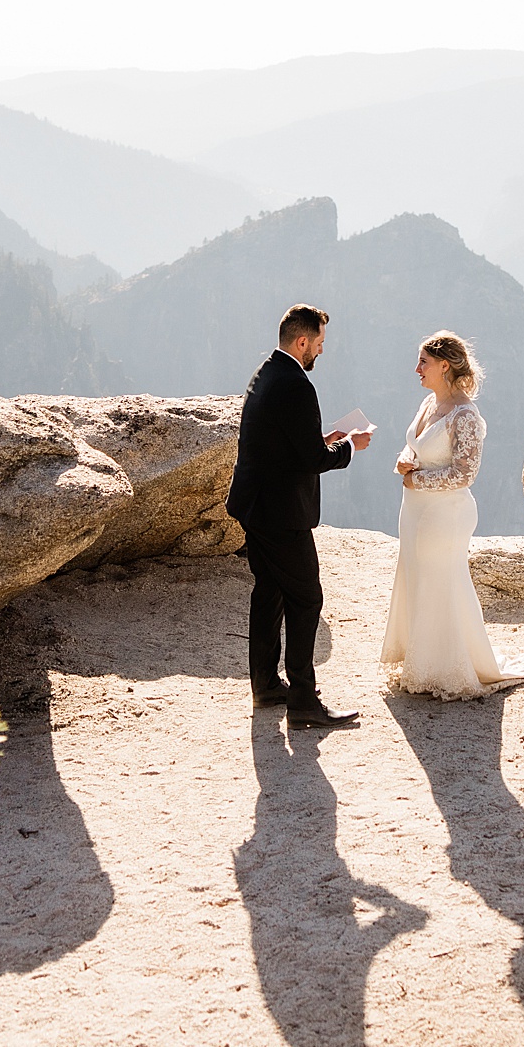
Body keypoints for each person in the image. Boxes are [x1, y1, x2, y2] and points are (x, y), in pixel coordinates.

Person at [380, 331, 524, 699]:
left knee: (443, 582)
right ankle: (422, 663)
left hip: (446, 513)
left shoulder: (465, 415)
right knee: (418, 578)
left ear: (444, 365)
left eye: (423, 362)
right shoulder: (428, 404)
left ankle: (448, 669)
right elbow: (414, 446)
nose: (416, 368)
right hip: (415, 509)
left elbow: (465, 473)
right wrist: (403, 461)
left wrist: (416, 479)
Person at [227, 303, 373, 730]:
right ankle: (304, 701)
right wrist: (350, 446)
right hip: (281, 513)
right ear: (303, 340)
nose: (321, 353)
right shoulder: (296, 384)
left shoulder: (268, 372)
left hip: (256, 505)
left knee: (269, 591)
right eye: (320, 344)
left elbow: (287, 440)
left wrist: (322, 436)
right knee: (307, 598)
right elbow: (311, 459)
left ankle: (266, 685)